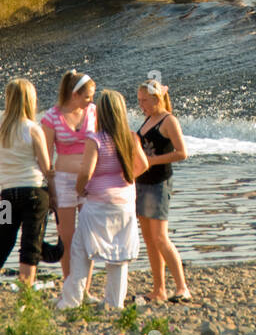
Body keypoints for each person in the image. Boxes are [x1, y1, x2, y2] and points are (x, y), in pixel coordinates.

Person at [55, 89, 149, 310]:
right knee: (118, 255)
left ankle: (71, 301)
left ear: (101, 114)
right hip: (124, 204)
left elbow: (86, 173)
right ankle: (115, 303)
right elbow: (144, 164)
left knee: (81, 250)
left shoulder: (95, 140)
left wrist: (81, 190)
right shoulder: (130, 137)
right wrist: (126, 180)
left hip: (98, 204)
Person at [0, 79, 54, 308]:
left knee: (1, 241)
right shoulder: (33, 129)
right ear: (30, 100)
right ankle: (24, 300)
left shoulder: (1, 128)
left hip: (7, 197)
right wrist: (55, 193)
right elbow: (45, 166)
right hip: (33, 194)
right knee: (30, 244)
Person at [135, 80, 191, 303]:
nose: (141, 105)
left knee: (160, 237)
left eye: (145, 101)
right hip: (142, 182)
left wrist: (152, 160)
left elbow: (182, 153)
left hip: (159, 183)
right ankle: (159, 289)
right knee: (149, 239)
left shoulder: (169, 120)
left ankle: (182, 287)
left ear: (157, 99)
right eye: (139, 101)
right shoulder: (149, 119)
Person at [41, 71, 96, 285]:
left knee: (88, 233)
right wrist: (50, 188)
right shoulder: (51, 116)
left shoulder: (92, 111)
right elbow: (45, 156)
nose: (91, 99)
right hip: (62, 181)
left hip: (89, 179)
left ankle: (86, 287)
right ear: (74, 94)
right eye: (87, 95)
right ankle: (69, 283)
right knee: (67, 235)